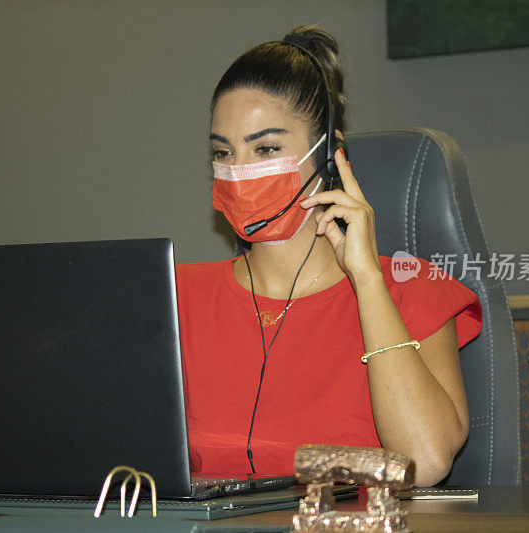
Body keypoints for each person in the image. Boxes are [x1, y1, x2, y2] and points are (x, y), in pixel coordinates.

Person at [175, 25, 481, 487]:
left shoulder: (410, 287)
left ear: (329, 154)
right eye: (223, 152)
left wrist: (367, 280)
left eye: (267, 148)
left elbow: (425, 461)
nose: (238, 172)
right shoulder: (174, 295)